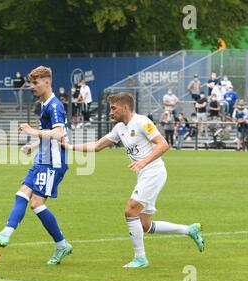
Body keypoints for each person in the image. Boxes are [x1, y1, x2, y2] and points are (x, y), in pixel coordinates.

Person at [61, 92, 204, 268]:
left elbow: (163, 144)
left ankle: (140, 258)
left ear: (125, 107)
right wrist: (69, 146)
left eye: (113, 108)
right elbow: (97, 146)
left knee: (130, 211)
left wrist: (143, 162)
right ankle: (189, 230)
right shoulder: (119, 128)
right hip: (144, 174)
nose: (110, 112)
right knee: (145, 225)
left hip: (153, 172)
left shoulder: (142, 121)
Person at [0, 66, 73, 265]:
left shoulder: (55, 106)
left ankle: (61, 245)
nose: (32, 86)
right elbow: (49, 134)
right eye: (32, 82)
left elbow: (58, 133)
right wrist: (33, 145)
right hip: (42, 159)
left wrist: (32, 131)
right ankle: (5, 234)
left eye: (35, 82)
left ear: (47, 82)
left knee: (37, 204)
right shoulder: (45, 104)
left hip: (52, 163)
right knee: (22, 193)